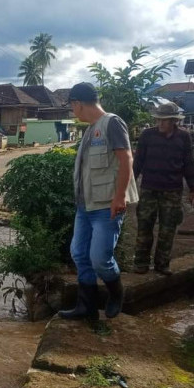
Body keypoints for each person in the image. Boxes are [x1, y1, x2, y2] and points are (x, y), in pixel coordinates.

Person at [59, 82, 139, 321]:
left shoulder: (112, 123)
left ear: (77, 104)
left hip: (107, 205)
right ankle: (87, 307)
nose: (74, 112)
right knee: (79, 254)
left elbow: (126, 160)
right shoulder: (90, 130)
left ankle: (116, 294)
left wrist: (120, 196)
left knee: (100, 259)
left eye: (73, 107)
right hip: (85, 206)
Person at [132, 102, 194, 276]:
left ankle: (162, 264)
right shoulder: (147, 135)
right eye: (158, 120)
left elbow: (189, 164)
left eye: (164, 121)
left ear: (174, 121)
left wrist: (193, 189)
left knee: (168, 229)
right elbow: (137, 162)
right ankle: (140, 263)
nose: (160, 124)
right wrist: (129, 184)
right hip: (149, 189)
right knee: (144, 227)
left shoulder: (183, 137)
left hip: (172, 191)